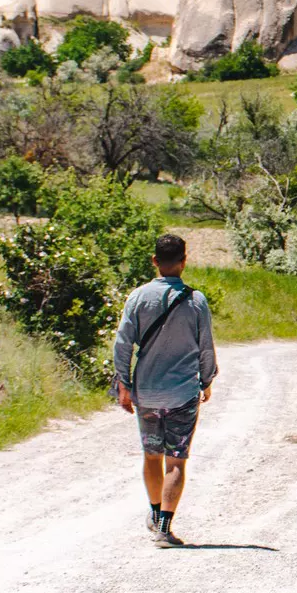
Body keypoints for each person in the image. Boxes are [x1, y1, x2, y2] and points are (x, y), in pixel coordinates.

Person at [112, 233, 217, 547]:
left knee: (152, 455)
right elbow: (206, 348)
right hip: (183, 395)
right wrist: (207, 380)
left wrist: (124, 385)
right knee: (176, 460)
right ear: (184, 261)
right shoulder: (196, 301)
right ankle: (164, 529)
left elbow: (122, 344)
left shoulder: (138, 297)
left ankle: (155, 512)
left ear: (154, 261)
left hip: (146, 392)